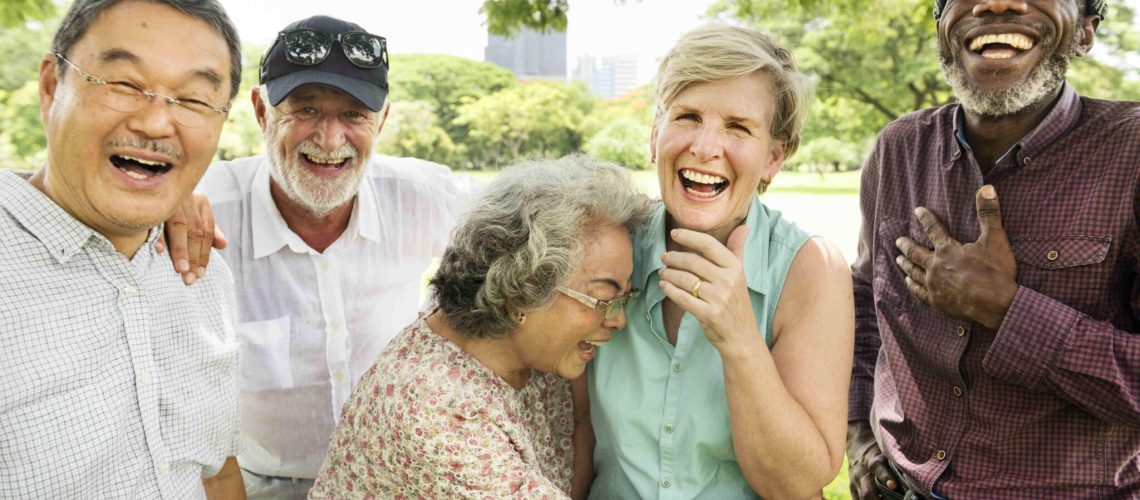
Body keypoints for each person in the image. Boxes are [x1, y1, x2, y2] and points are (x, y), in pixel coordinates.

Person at [164, 15, 471, 498]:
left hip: (396, 477)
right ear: (261, 112)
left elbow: (530, 234)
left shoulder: (422, 196)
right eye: (306, 109)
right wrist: (163, 199)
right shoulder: (201, 210)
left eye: (354, 114)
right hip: (261, 483)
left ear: (382, 120)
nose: (329, 139)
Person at [846, 0, 1140, 498]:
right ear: (942, 28)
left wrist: (1007, 311)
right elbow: (863, 302)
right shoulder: (899, 148)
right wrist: (858, 436)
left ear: (1085, 33)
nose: (997, 2)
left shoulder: (1131, 153)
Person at [585, 24, 855, 499]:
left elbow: (795, 485)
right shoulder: (604, 245)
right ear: (655, 136)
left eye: (738, 127)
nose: (705, 147)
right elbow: (572, 432)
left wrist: (739, 337)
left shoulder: (813, 270)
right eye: (688, 117)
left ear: (774, 157)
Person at [0, 0, 244, 498]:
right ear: (51, 86)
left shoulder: (203, 272)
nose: (155, 124)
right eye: (125, 85)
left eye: (194, 100)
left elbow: (216, 472)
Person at [307, 155, 653, 498]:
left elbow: (580, 422)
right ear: (523, 290)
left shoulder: (525, 346)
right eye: (603, 298)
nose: (618, 319)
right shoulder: (440, 412)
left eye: (624, 298)